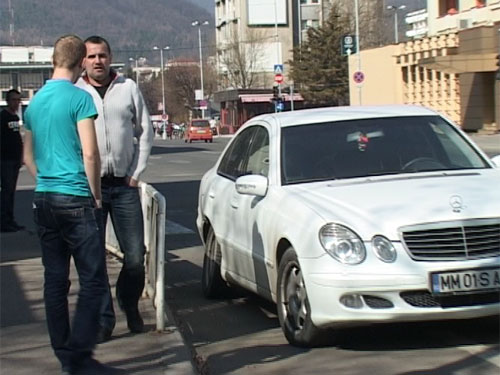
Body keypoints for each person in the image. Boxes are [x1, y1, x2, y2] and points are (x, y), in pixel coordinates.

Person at [23, 35, 123, 375]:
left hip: (43, 198)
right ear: (82, 62)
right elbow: (91, 152)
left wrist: (46, 178)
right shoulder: (80, 99)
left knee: (55, 280)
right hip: (75, 198)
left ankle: (64, 352)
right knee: (93, 278)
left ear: (53, 60)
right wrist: (94, 193)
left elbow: (27, 156)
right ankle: (81, 356)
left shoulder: (33, 105)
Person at [76, 35, 154, 342]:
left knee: (135, 257)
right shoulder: (76, 92)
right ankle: (104, 319)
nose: (98, 61)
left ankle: (129, 303)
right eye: (92, 56)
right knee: (92, 259)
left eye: (103, 55)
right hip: (89, 188)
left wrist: (136, 173)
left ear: (111, 58)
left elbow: (145, 131)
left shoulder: (128, 87)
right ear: (83, 61)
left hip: (123, 186)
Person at [1, 89, 25, 232]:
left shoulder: (15, 118)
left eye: (18, 100)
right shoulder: (3, 117)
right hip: (5, 160)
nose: (16, 103)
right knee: (6, 191)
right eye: (14, 100)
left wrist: (21, 156)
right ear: (7, 101)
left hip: (15, 160)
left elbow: (18, 139)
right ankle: (4, 221)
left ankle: (10, 219)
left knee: (11, 192)